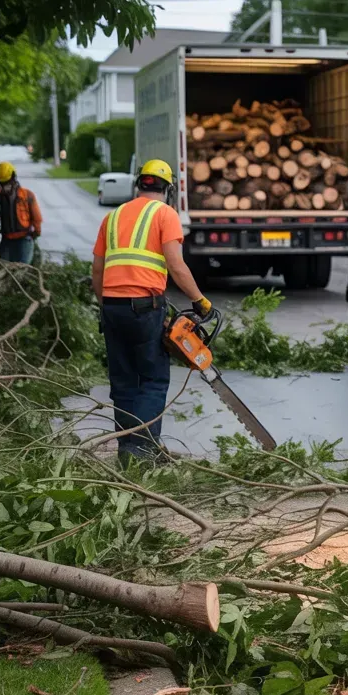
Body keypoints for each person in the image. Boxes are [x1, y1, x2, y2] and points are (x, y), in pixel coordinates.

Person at [91, 159, 212, 466]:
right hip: (144, 309)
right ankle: (142, 451)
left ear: (139, 184)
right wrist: (199, 301)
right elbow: (176, 264)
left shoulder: (113, 216)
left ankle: (128, 449)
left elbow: (97, 269)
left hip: (112, 307)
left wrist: (105, 305)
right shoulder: (165, 214)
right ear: (167, 189)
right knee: (153, 380)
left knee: (123, 382)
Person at [0, 162, 43, 263]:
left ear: (13, 177)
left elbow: (37, 218)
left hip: (23, 240)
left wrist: (37, 232)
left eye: (6, 182)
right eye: (2, 183)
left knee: (18, 271)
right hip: (8, 240)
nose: (4, 185)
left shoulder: (27, 195)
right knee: (9, 270)